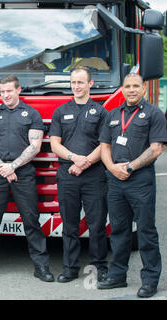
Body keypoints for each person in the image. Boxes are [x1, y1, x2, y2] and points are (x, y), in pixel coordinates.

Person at [0, 75, 53, 282]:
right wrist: (3, 167)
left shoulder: (31, 114)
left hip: (23, 173)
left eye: (9, 90)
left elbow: (35, 146)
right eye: (2, 91)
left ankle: (41, 267)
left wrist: (13, 166)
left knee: (31, 220)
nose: (5, 95)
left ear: (18, 90)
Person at [98, 73, 167, 298]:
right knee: (118, 230)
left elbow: (157, 148)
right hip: (115, 181)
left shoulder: (154, 114)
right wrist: (111, 168)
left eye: (136, 86)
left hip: (140, 180)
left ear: (143, 89)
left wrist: (129, 168)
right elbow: (104, 145)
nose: (131, 90)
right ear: (122, 89)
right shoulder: (113, 114)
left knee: (146, 231)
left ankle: (149, 280)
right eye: (127, 86)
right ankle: (117, 276)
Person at [49, 67, 108, 283]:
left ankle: (100, 267)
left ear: (90, 84)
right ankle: (70, 268)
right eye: (73, 82)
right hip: (67, 175)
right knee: (70, 225)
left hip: (94, 175)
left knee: (97, 225)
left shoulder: (101, 112)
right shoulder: (60, 111)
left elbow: (104, 145)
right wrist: (74, 158)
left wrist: (84, 163)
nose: (76, 86)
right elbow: (55, 144)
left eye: (81, 82)